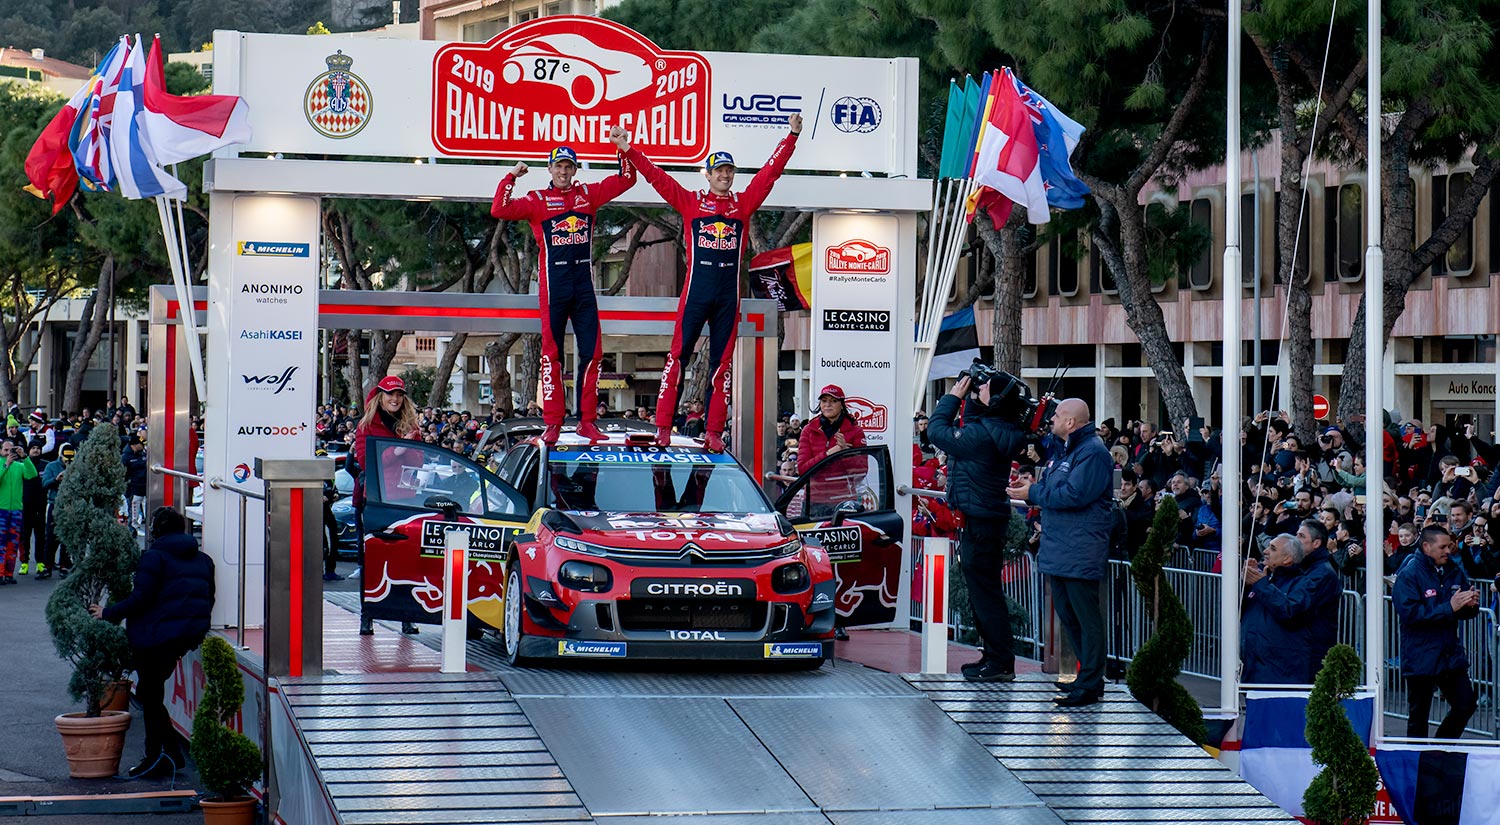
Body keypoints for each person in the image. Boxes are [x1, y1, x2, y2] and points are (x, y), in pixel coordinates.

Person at [612, 114, 801, 452]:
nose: (725, 176)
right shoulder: (691, 202)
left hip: (728, 296)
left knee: (721, 365)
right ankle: (663, 427)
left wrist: (792, 137)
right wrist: (627, 148)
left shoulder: (743, 205)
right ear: (709, 175)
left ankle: (713, 431)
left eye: (729, 171)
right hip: (696, 294)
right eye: (719, 171)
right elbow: (656, 177)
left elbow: (770, 174)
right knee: (677, 358)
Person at [490, 141, 637, 444]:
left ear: (574, 170)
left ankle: (587, 421)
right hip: (553, 287)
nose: (563, 171)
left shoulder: (588, 195)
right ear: (550, 169)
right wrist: (511, 176)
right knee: (551, 355)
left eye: (569, 166)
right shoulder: (537, 200)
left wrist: (622, 149)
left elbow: (627, 179)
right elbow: (499, 209)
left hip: (583, 287)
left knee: (593, 353)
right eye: (558, 166)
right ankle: (553, 423)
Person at [88, 508, 214, 778]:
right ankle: (166, 755)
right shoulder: (204, 559)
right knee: (149, 692)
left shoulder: (153, 557)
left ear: (156, 530)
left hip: (155, 636)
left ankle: (158, 756)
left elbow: (140, 599)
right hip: (186, 635)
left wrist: (107, 612)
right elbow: (209, 597)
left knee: (150, 694)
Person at [1006, 398, 1114, 705]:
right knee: (1069, 615)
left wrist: (1033, 492)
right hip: (1062, 547)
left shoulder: (1092, 452)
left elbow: (1074, 494)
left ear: (1071, 422)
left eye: (1056, 414)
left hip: (1080, 548)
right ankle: (1086, 678)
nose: (1051, 418)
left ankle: (1091, 681)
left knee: (1085, 618)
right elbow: (1057, 486)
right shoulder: (1067, 450)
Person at [928, 372, 1028, 683]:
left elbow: (937, 432)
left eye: (984, 387)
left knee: (985, 594)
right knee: (984, 592)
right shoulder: (996, 428)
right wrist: (972, 398)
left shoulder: (981, 436)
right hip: (985, 520)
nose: (979, 387)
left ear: (996, 400)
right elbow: (973, 421)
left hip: (980, 523)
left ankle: (1000, 661)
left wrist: (952, 398)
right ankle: (994, 656)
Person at [1392, 525, 1480, 739]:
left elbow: (1461, 609)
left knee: (1466, 703)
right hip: (1421, 654)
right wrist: (1449, 607)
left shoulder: (1453, 570)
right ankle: (1418, 758)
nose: (1448, 551)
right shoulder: (1409, 574)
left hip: (1449, 653)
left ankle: (1439, 750)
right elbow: (1411, 614)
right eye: (1442, 547)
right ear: (1426, 546)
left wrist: (1470, 605)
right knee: (1418, 717)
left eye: (1449, 546)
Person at [352, 376, 421, 636]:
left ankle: (406, 616)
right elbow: (365, 461)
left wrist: (410, 445)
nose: (395, 399)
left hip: (406, 501)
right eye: (390, 394)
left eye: (399, 394)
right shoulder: (366, 424)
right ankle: (367, 616)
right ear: (381, 396)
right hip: (375, 501)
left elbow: (420, 461)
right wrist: (397, 450)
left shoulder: (411, 424)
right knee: (371, 560)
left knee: (407, 562)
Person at [1240, 534, 1315, 683]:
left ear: (1287, 559)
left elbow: (1290, 612)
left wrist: (1261, 584)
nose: (1265, 551)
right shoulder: (1265, 580)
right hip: (1253, 667)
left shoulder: (1303, 584)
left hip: (1280, 672)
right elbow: (1237, 611)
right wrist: (1245, 584)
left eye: (1273, 548)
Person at [797, 385, 866, 473]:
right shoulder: (808, 430)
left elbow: (862, 470)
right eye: (824, 401)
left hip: (842, 482)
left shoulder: (856, 431)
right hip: (815, 482)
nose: (828, 405)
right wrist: (829, 453)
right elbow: (802, 470)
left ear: (842, 405)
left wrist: (845, 452)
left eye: (834, 401)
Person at [0, 438, 38, 585]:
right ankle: (0, 573)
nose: (8, 453)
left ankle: (9, 573)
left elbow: (32, 474)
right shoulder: (2, 464)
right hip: (1, 510)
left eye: (11, 450)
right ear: (1, 451)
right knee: (1, 544)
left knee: (13, 544)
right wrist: (6, 465)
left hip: (16, 510)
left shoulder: (19, 466)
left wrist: (25, 457)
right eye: (6, 450)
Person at [38, 443, 75, 579]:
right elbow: (44, 483)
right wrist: (56, 480)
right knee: (51, 537)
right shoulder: (52, 466)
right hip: (55, 504)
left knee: (67, 537)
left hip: (70, 505)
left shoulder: (77, 466)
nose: (68, 460)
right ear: (61, 456)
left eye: (71, 457)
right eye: (66, 458)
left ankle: (63, 565)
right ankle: (47, 566)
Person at [120, 435, 148, 533]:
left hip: (143, 486)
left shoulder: (143, 454)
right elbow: (123, 474)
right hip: (133, 487)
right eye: (141, 444)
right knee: (133, 508)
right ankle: (133, 528)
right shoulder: (125, 457)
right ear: (135, 445)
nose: (143, 446)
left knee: (144, 507)